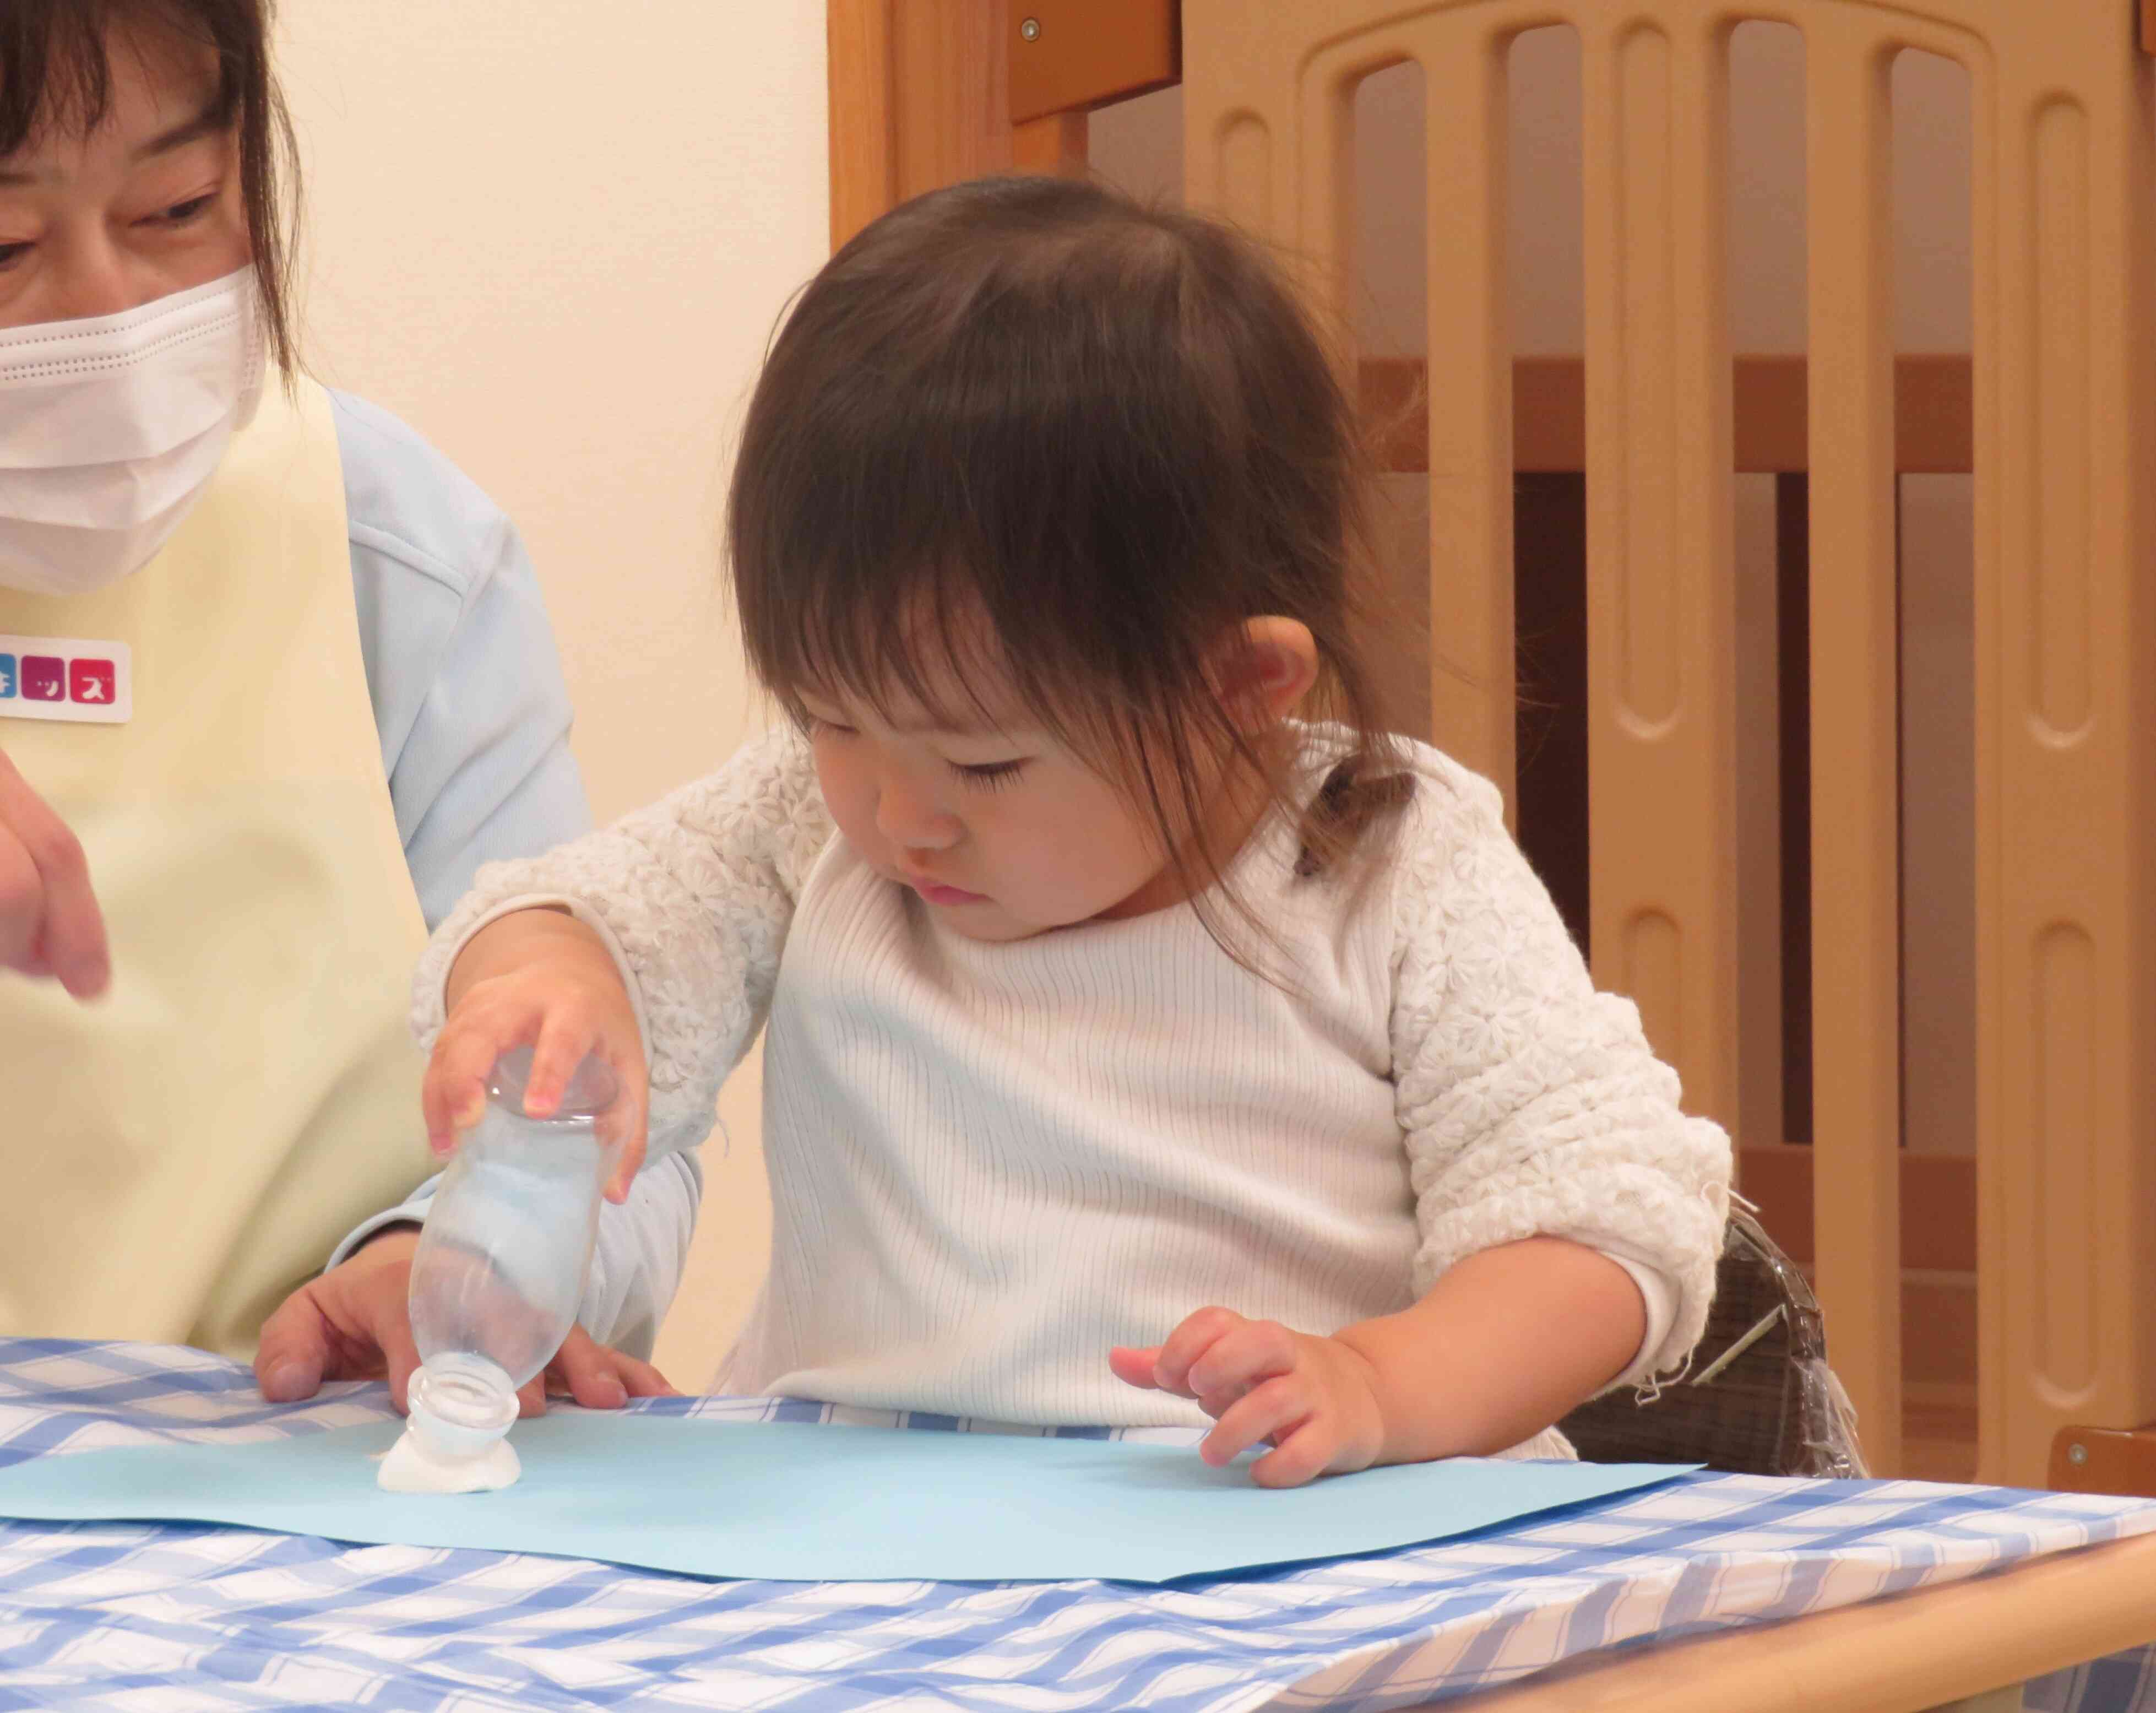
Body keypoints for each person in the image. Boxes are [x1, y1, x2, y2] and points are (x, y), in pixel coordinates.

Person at [408, 175, 1733, 1483]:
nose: (896, 814)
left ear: (1237, 689)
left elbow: (1600, 1218)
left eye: (985, 763)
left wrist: (1385, 1382)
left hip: (1270, 1522)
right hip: (839, 1521)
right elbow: (590, 915)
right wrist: (551, 985)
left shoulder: (1385, 858)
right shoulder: (809, 821)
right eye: (829, 715)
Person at [0, 0, 693, 1414]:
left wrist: (455, 1251)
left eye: (181, 207)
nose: (111, 317)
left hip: (290, 1480)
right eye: (2, 247)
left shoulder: (391, 554)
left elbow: (627, 1115)